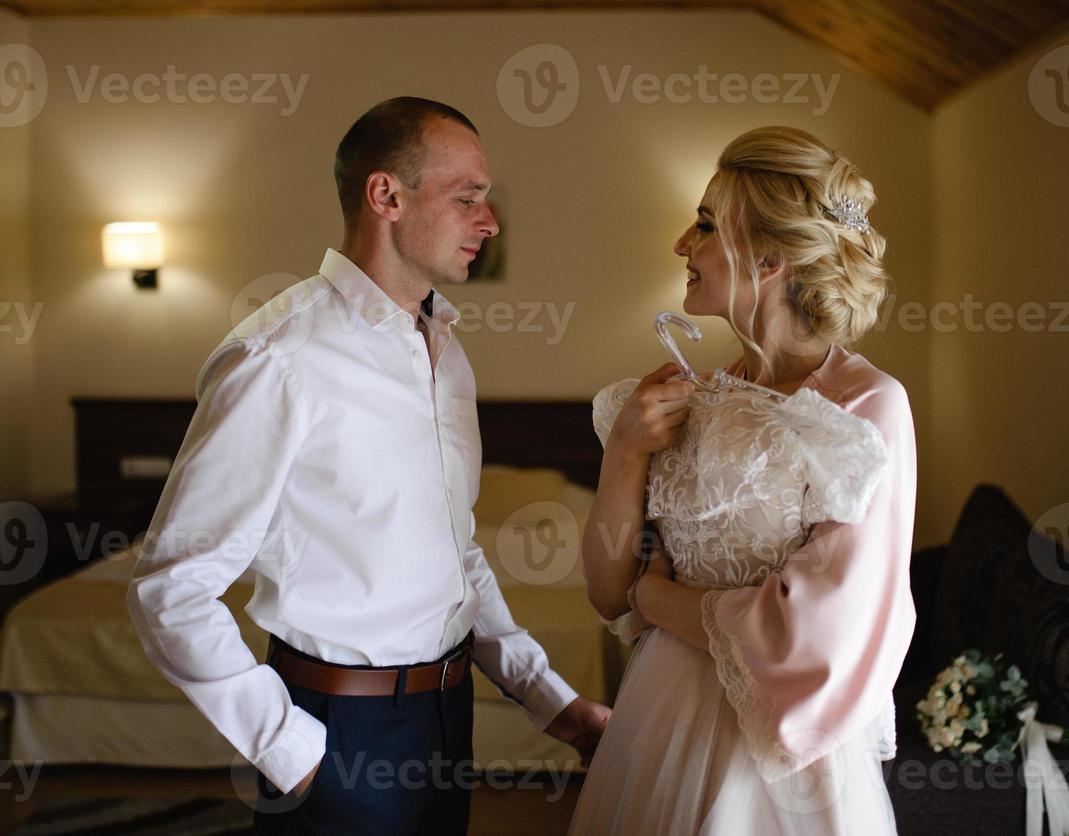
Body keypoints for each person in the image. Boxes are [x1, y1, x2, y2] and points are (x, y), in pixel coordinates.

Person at [128, 96, 610, 836]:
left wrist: (552, 701)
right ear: (385, 195)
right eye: (468, 198)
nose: (490, 222)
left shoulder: (446, 354)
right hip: (336, 731)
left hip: (447, 719)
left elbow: (457, 554)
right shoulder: (280, 359)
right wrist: (296, 753)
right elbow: (171, 587)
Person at [569, 126, 916, 835]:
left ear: (767, 256)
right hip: (658, 726)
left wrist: (657, 597)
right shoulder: (689, 396)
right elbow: (607, 592)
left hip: (772, 763)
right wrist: (626, 454)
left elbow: (818, 636)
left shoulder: (863, 407)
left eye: (703, 225)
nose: (680, 246)